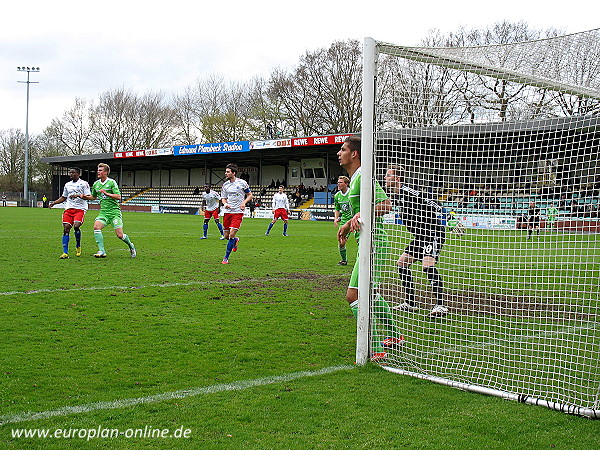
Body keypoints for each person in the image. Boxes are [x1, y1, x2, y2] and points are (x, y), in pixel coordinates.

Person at [336, 136, 401, 361]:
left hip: (375, 242)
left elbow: (386, 206)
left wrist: (360, 215)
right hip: (367, 242)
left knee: (353, 294)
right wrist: (346, 226)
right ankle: (395, 336)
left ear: (354, 153)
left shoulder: (364, 176)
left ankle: (373, 347)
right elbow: (360, 213)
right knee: (370, 294)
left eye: (343, 149)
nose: (339, 153)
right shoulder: (355, 179)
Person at [384, 164, 448, 318]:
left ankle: (440, 305)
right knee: (402, 263)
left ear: (397, 178)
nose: (385, 178)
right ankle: (410, 303)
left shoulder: (407, 191)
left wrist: (448, 216)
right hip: (420, 237)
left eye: (388, 175)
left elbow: (429, 200)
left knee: (427, 265)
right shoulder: (395, 195)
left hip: (432, 233)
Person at [79, 163, 136, 258]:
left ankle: (131, 246)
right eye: (98, 170)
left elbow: (118, 196)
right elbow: (93, 197)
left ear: (106, 172)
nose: (98, 172)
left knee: (120, 235)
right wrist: (85, 197)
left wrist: (106, 193)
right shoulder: (96, 184)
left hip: (114, 213)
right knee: (96, 227)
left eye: (100, 170)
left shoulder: (111, 182)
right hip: (104, 212)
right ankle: (101, 251)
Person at [49, 167, 91, 259]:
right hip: (69, 209)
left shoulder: (84, 184)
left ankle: (78, 246)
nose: (71, 174)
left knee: (76, 226)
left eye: (73, 173)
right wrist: (54, 203)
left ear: (78, 174)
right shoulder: (67, 185)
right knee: (66, 228)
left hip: (80, 208)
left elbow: (88, 196)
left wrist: (78, 195)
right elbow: (64, 197)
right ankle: (65, 252)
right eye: (70, 173)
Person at [220, 163, 252, 264]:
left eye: (228, 172)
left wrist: (243, 203)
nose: (226, 173)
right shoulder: (225, 185)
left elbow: (250, 195)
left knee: (231, 234)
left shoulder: (242, 183)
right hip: (228, 212)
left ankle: (226, 257)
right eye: (226, 171)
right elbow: (223, 198)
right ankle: (235, 240)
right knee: (226, 236)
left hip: (238, 212)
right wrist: (225, 205)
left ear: (234, 173)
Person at [333, 176, 352, 265]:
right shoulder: (337, 195)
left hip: (355, 220)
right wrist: (336, 218)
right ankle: (344, 260)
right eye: (338, 182)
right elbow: (337, 208)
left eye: (341, 182)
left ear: (346, 184)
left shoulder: (352, 193)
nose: (338, 184)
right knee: (341, 241)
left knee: (360, 240)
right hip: (344, 221)